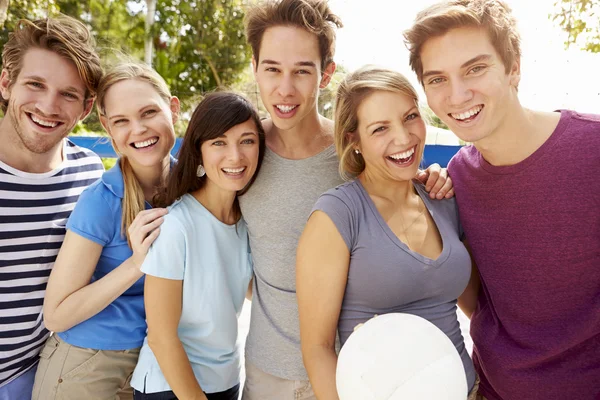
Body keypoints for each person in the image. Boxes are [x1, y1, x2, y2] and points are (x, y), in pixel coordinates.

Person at [240, 1, 454, 398]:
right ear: (254, 67)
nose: (285, 89)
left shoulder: (353, 154)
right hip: (271, 373)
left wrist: (431, 177)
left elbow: (397, 178)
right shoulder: (239, 156)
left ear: (326, 75)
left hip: (361, 375)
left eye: (302, 70)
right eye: (272, 69)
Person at [403, 1, 600, 399]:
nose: (457, 95)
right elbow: (476, 301)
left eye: (475, 68)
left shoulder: (593, 150)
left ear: (514, 67)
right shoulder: (455, 178)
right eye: (437, 79)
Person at [296, 65, 478, 400]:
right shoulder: (337, 214)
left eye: (410, 116)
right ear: (355, 141)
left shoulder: (443, 200)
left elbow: (477, 309)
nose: (404, 137)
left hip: (467, 389)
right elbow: (317, 349)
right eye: (380, 128)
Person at [31, 62, 178, 400]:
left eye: (149, 112)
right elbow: (56, 314)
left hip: (157, 359)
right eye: (122, 121)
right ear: (108, 129)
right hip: (87, 365)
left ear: (172, 109)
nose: (138, 129)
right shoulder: (101, 202)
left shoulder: (194, 187)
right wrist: (135, 264)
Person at [129, 91, 265, 400]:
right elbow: (161, 338)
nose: (235, 156)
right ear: (198, 152)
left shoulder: (246, 222)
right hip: (172, 387)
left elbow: (250, 289)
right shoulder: (176, 225)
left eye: (247, 141)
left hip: (227, 380)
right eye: (219, 142)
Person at [0, 16, 104, 400]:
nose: (48, 106)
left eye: (68, 94)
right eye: (35, 84)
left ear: (87, 106)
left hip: (36, 376)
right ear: (6, 83)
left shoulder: (90, 175)